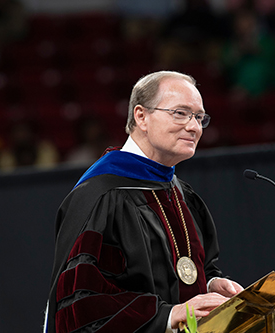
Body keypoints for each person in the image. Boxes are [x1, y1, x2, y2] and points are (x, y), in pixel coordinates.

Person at [44, 71, 243, 333]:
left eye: (198, 117)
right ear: (141, 116)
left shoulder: (182, 195)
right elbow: (83, 306)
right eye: (180, 113)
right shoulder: (101, 196)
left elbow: (192, 270)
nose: (194, 127)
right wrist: (170, 315)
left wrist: (209, 284)